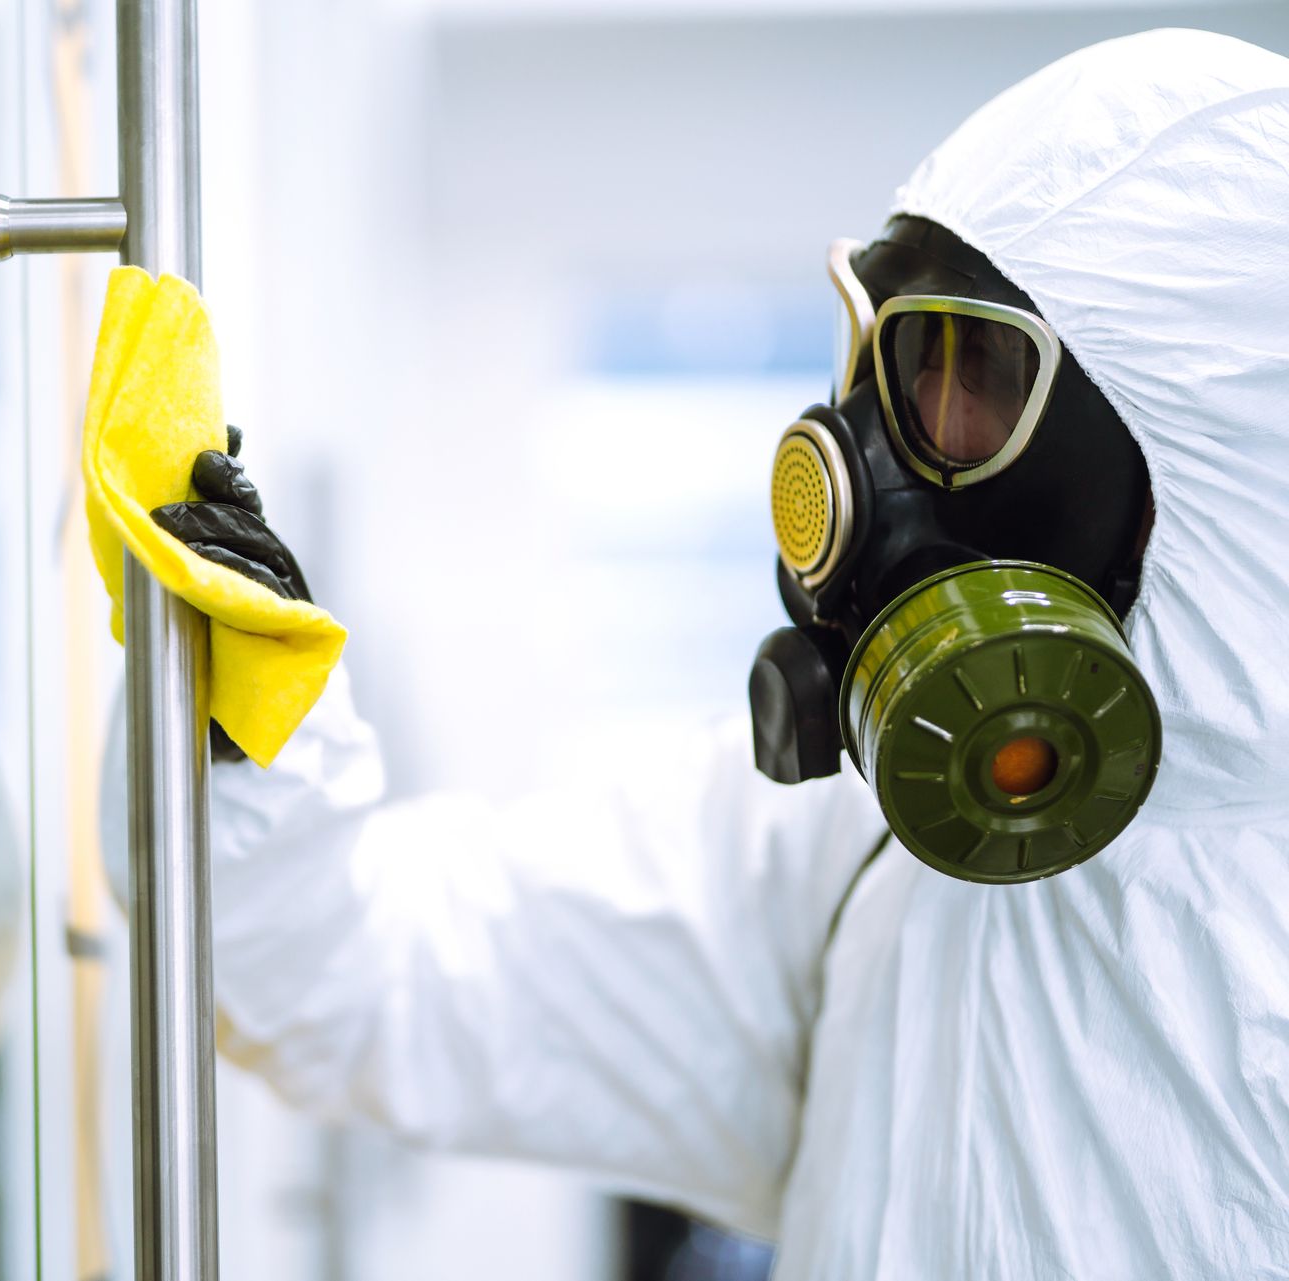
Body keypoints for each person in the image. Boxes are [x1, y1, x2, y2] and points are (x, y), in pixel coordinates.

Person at [111, 29, 1289, 1277]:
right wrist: (246, 719)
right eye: (880, 362)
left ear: (1219, 471)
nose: (852, 464)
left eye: (962, 379)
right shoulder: (860, 856)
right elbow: (364, 973)